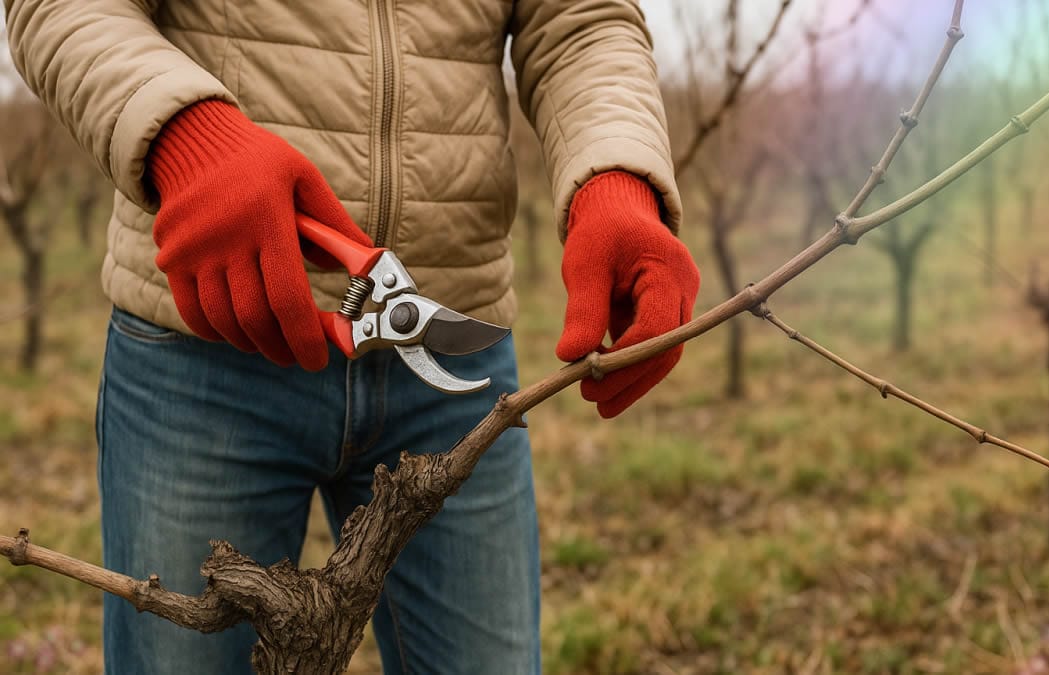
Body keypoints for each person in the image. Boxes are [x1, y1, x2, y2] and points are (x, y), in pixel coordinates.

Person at [5, 1, 699, 673]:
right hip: (201, 351)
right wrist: (189, 136)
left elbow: (579, 20)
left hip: (456, 354)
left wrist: (615, 180)